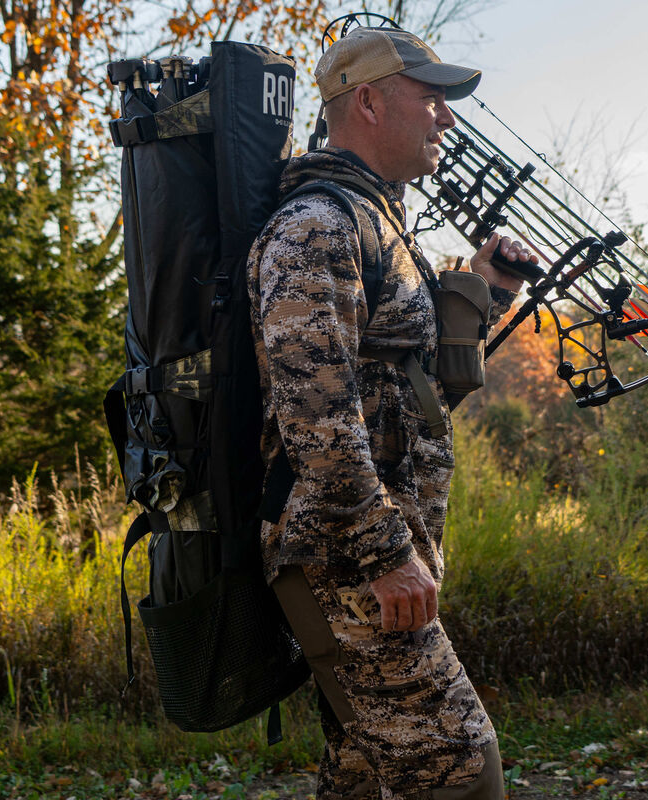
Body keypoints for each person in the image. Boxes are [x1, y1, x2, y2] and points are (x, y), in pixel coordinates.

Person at [247, 25, 538, 800]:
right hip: (345, 558)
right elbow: (316, 419)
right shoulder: (318, 227)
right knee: (461, 770)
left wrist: (488, 292)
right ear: (369, 102)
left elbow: (413, 399)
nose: (447, 115)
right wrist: (384, 556)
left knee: (363, 778)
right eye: (431, 97)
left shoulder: (381, 225)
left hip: (371, 552)